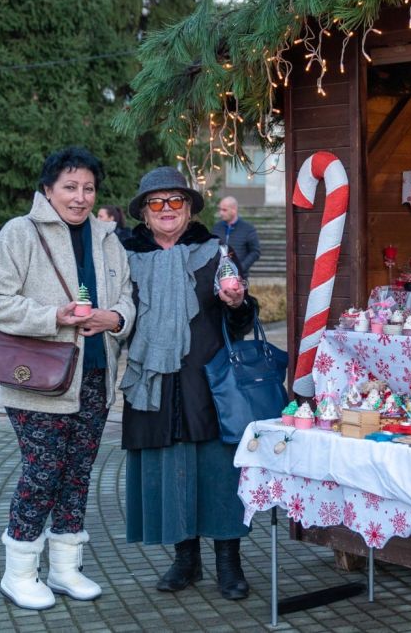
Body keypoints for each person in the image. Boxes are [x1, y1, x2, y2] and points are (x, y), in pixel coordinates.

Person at [0, 147, 135, 610]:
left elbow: (126, 296)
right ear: (48, 190)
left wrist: (115, 318)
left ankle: (65, 567)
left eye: (88, 188)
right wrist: (54, 317)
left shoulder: (107, 237)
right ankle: (19, 571)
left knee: (78, 473)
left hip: (95, 376)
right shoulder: (19, 234)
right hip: (37, 379)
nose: (80, 197)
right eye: (69, 187)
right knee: (43, 472)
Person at [120, 167, 256, 600]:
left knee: (217, 472)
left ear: (188, 208)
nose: (166, 210)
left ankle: (229, 564)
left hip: (208, 382)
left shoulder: (216, 254)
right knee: (171, 471)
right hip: (154, 384)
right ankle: (185, 560)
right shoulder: (126, 259)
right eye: (156, 203)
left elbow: (241, 317)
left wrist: (237, 303)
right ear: (143, 212)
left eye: (174, 201)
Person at [213, 196, 261, 277]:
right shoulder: (216, 228)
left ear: (234, 210)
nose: (221, 213)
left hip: (240, 278)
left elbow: (255, 252)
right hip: (218, 277)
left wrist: (240, 267)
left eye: (224, 210)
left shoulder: (248, 229)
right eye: (220, 209)